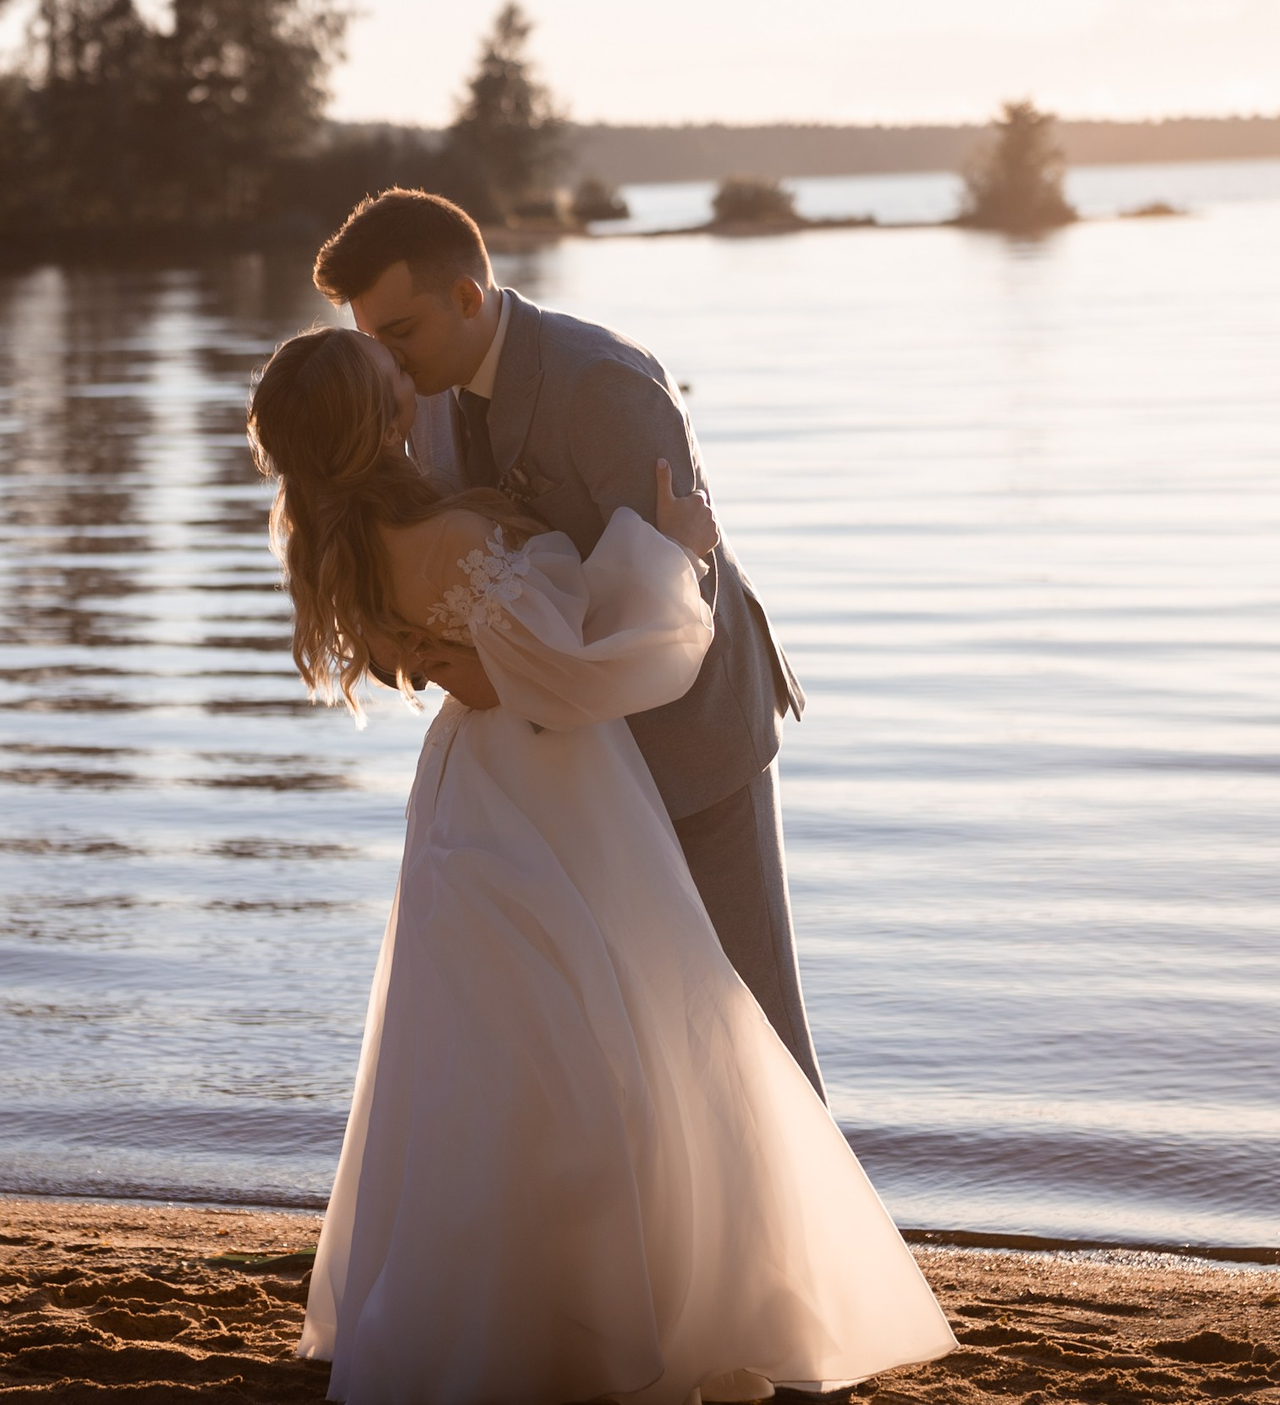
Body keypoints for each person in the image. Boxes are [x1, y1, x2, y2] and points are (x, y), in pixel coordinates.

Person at [249, 322, 954, 1404]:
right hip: (546, 787)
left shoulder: (341, 531)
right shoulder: (438, 527)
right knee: (605, 1035)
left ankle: (495, 1301)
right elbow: (576, 675)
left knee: (484, 1053)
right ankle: (608, 1314)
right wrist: (671, 551)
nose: (397, 358)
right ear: (374, 414)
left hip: (469, 790)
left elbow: (461, 657)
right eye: (382, 363)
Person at [312, 187, 823, 1091]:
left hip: (689, 735)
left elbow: (675, 594)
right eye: (372, 339)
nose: (386, 360)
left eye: (401, 332)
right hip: (559, 765)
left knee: (750, 1015)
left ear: (468, 297)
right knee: (616, 1033)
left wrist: (499, 670)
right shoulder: (420, 395)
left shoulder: (602, 382)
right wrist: (428, 654)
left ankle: (817, 1234)